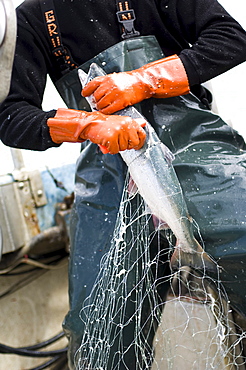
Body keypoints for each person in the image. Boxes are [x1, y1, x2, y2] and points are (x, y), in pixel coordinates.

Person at [1, 0, 246, 368]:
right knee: (95, 320)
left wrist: (144, 80)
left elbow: (231, 38)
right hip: (106, 173)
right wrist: (87, 125)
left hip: (197, 148)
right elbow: (11, 116)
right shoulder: (30, 18)